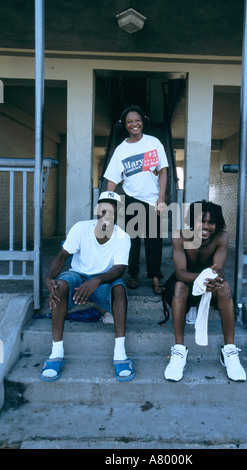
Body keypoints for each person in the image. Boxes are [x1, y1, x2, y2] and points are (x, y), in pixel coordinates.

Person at [41, 191, 134, 383]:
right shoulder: (81, 228)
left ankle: (120, 353)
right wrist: (49, 278)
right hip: (79, 276)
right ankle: (56, 353)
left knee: (120, 289)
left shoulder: (123, 237)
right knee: (59, 286)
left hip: (103, 280)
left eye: (112, 211)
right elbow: (62, 256)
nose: (106, 215)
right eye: (103, 210)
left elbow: (119, 270)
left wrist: (97, 280)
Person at [164, 200, 246, 383]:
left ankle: (229, 351)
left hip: (209, 282)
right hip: (185, 282)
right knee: (179, 287)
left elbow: (220, 269)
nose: (206, 226)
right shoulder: (179, 236)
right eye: (202, 221)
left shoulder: (221, 237)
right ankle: (179, 350)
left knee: (224, 287)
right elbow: (180, 273)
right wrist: (202, 278)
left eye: (211, 222)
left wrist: (214, 277)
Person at [104, 105, 169, 295]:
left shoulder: (154, 143)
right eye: (129, 122)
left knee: (154, 240)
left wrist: (162, 197)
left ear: (143, 121)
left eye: (137, 120)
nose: (134, 124)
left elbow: (163, 171)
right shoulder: (121, 150)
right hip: (131, 199)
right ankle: (132, 274)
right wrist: (108, 204)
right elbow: (112, 180)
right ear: (125, 125)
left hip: (153, 200)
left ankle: (156, 277)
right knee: (131, 241)